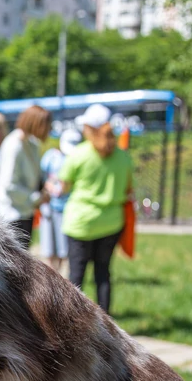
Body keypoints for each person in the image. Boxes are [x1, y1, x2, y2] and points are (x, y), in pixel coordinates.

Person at [60, 104, 133, 315]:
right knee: (103, 273)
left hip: (81, 223)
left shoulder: (79, 154)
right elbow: (129, 188)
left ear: (89, 128)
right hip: (111, 223)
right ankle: (105, 319)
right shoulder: (123, 156)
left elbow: (63, 186)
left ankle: (71, 318)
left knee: (76, 275)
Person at [0, 105, 51, 248]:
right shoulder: (14, 145)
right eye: (46, 125)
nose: (49, 130)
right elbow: (9, 185)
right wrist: (35, 198)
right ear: (35, 123)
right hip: (12, 214)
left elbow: (35, 173)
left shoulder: (32, 143)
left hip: (26, 211)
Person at [38, 129, 82, 273]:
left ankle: (61, 274)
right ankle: (51, 272)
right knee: (49, 245)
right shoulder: (50, 156)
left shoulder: (78, 158)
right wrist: (48, 186)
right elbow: (42, 177)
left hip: (67, 209)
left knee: (64, 248)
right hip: (50, 207)